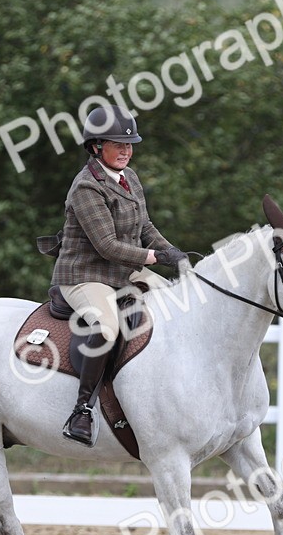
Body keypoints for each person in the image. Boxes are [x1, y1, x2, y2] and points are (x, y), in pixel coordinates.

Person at [50, 105, 185, 446]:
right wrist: (155, 256)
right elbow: (107, 245)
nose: (126, 150)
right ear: (96, 146)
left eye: (129, 145)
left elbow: (146, 227)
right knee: (108, 327)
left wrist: (175, 254)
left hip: (121, 274)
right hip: (83, 276)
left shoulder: (130, 177)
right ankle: (82, 410)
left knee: (175, 300)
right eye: (117, 144)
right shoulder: (85, 188)